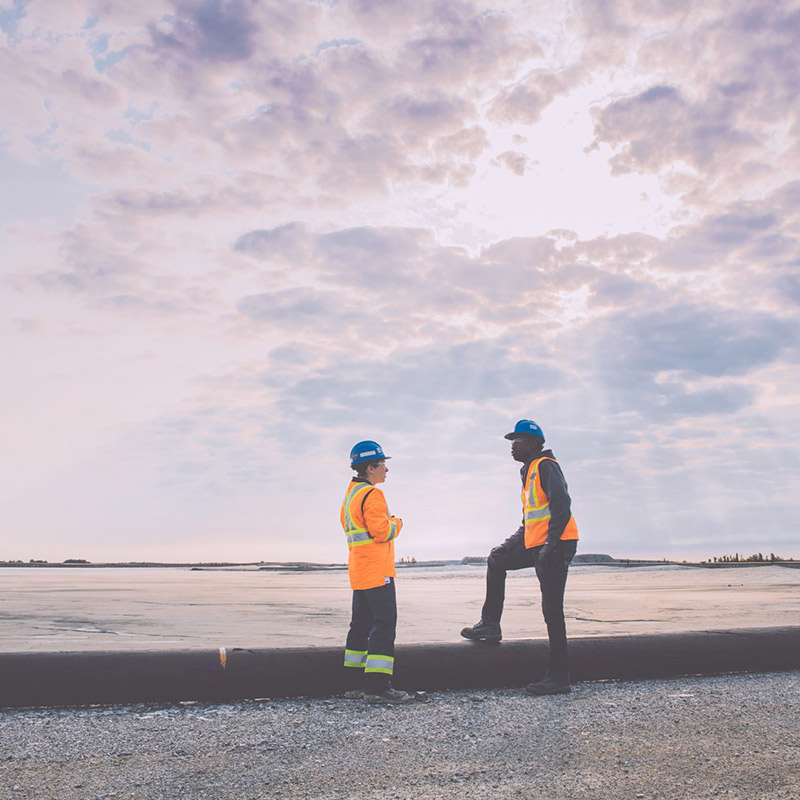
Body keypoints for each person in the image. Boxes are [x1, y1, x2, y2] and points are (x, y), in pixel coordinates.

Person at [460, 420, 579, 695]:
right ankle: (490, 624)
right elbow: (528, 522)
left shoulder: (546, 466)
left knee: (552, 610)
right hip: (537, 544)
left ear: (534, 444)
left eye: (518, 440)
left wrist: (551, 544)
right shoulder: (529, 473)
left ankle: (559, 677)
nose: (512, 446)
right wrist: (507, 546)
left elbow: (562, 504)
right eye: (511, 441)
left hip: (556, 545)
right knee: (496, 561)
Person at [340, 440, 413, 704]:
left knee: (359, 625)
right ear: (370, 468)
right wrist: (398, 523)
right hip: (377, 570)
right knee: (384, 625)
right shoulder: (372, 495)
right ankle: (378, 687)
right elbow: (381, 531)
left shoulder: (351, 494)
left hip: (359, 570)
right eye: (383, 464)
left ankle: (353, 684)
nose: (386, 469)